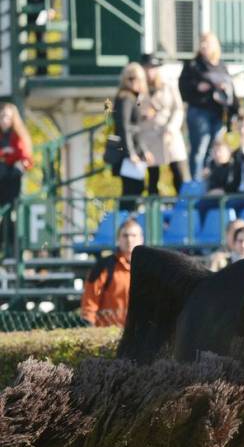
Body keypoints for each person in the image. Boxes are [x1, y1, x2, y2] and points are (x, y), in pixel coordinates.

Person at [179, 32, 240, 180]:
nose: (204, 46)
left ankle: (211, 179)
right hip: (199, 112)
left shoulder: (221, 66)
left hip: (218, 112)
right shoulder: (193, 65)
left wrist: (233, 108)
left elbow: (231, 90)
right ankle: (196, 181)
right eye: (202, 43)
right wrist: (198, 87)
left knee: (215, 149)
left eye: (208, 43)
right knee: (199, 149)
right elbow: (184, 89)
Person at [139, 53, 191, 195]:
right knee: (153, 177)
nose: (150, 72)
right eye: (147, 68)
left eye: (153, 68)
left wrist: (171, 129)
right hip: (149, 136)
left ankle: (183, 209)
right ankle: (154, 211)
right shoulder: (139, 90)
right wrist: (143, 112)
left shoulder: (168, 85)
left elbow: (178, 109)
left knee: (179, 172)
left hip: (169, 135)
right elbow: (134, 110)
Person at [80, 218, 143, 327]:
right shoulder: (104, 267)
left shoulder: (149, 268)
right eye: (125, 235)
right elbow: (89, 303)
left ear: (141, 239)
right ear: (118, 239)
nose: (129, 240)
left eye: (133, 235)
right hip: (110, 334)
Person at [112, 63, 152, 212]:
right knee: (131, 189)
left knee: (138, 187)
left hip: (135, 149)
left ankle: (130, 217)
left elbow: (137, 129)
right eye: (130, 78)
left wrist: (144, 150)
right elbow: (124, 127)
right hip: (127, 152)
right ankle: (125, 219)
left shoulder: (135, 98)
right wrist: (131, 154)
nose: (134, 82)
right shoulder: (125, 98)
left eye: (137, 78)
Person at [0, 103, 33, 254]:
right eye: (2, 116)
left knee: (10, 215)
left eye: (7, 116)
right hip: (2, 178)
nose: (4, 120)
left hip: (11, 180)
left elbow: (25, 158)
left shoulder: (18, 136)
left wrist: (8, 155)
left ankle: (11, 249)